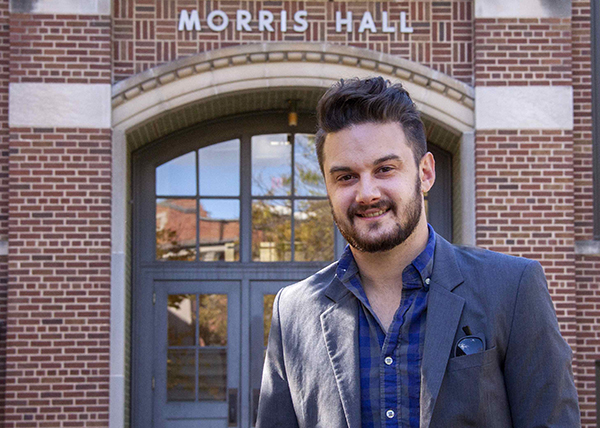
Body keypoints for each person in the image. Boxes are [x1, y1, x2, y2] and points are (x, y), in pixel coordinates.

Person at [256, 77, 580, 428]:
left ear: (424, 173)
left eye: (385, 169)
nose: (367, 193)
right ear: (328, 187)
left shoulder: (511, 289)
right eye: (346, 177)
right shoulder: (294, 311)